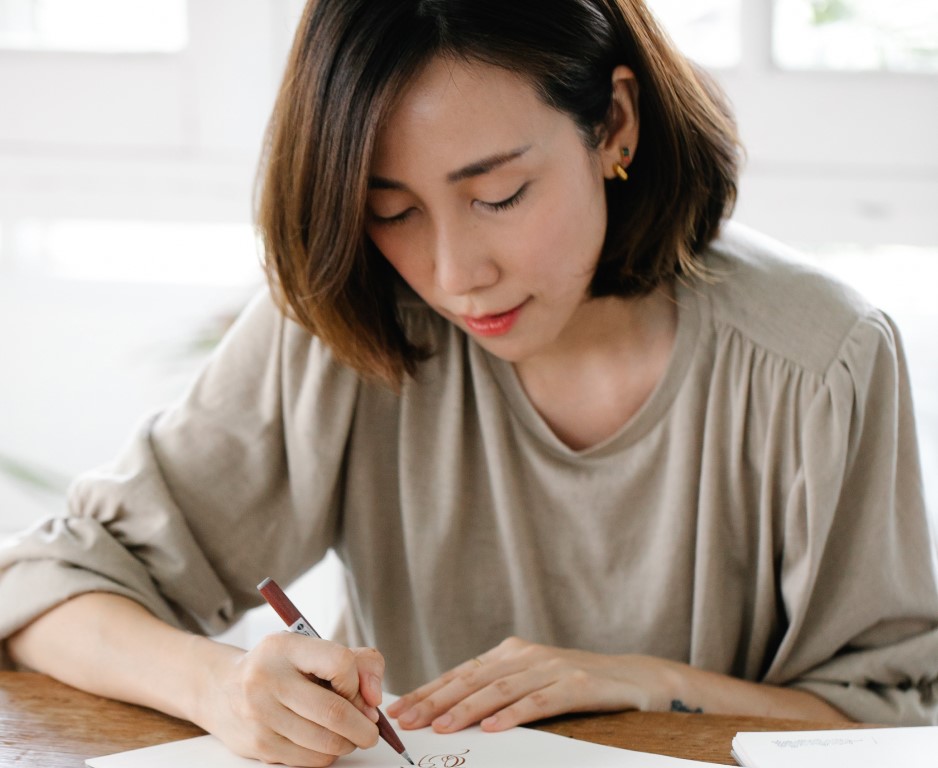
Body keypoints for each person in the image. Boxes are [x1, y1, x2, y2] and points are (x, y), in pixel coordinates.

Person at [2, 0, 937, 765]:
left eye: (498, 198)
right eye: (392, 211)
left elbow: (898, 716)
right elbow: (43, 586)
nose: (454, 275)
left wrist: (642, 683)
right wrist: (219, 684)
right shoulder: (349, 323)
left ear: (614, 123)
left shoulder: (820, 360)